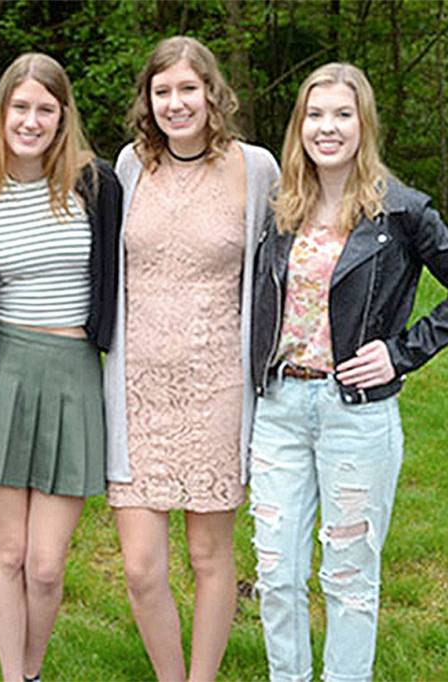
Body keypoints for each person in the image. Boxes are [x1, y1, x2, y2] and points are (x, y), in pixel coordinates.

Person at [249, 62, 448, 682]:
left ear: (364, 124)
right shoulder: (281, 208)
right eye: (314, 114)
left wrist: (402, 351)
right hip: (278, 409)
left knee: (350, 575)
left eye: (341, 114)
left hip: (355, 416)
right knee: (277, 573)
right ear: (298, 124)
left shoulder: (401, 212)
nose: (326, 128)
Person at [0, 53, 122, 682]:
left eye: (45, 108)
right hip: (2, 377)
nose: (32, 120)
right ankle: (13, 676)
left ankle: (33, 669)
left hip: (73, 376)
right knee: (9, 551)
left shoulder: (97, 187)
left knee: (46, 563)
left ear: (63, 115)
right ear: (2, 113)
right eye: (21, 107)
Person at [102, 36, 280, 681]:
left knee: (209, 557)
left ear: (213, 94)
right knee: (141, 566)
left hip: (217, 385)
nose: (176, 104)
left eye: (187, 89)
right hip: (137, 388)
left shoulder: (255, 169)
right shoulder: (127, 166)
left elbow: (280, 273)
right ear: (148, 102)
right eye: (163, 91)